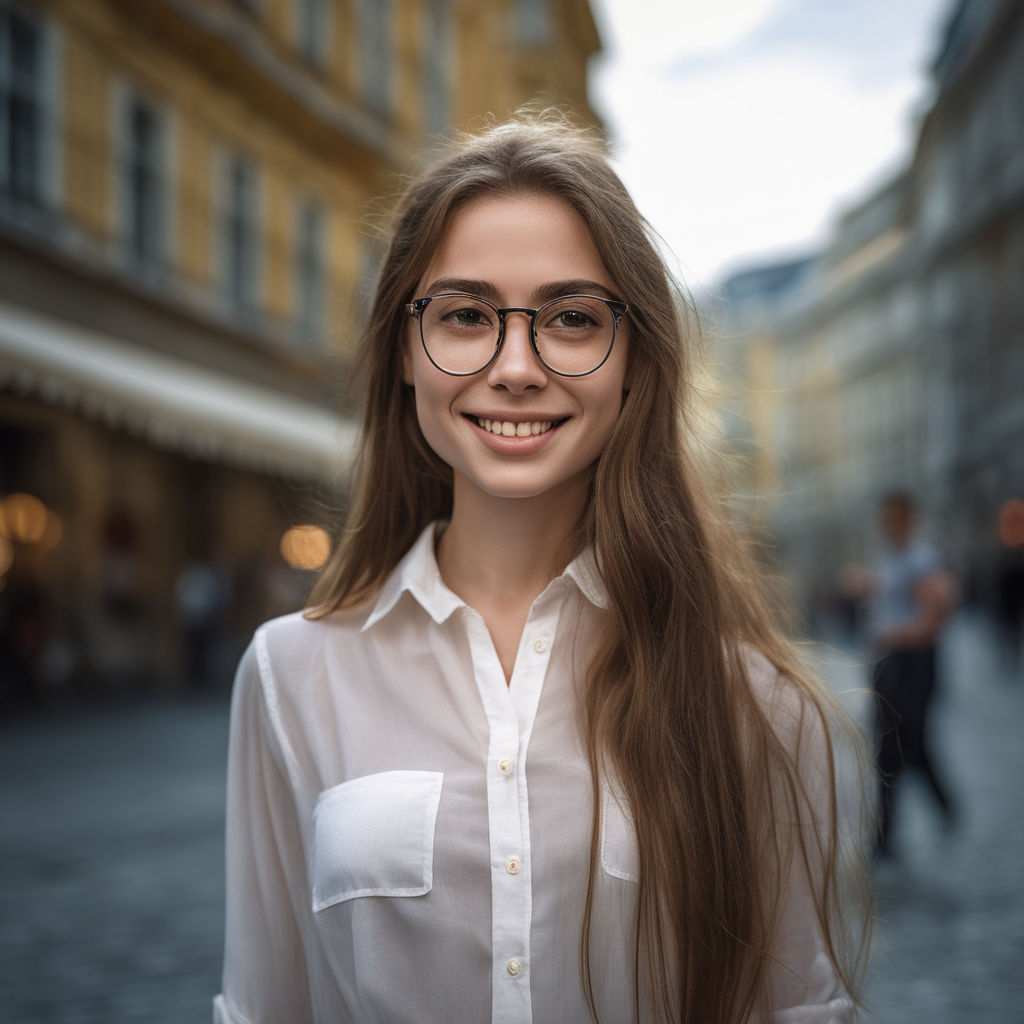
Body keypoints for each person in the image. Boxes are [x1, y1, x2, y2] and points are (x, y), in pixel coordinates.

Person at [214, 112, 871, 1024]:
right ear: (406, 350)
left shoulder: (755, 703)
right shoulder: (291, 677)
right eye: (465, 315)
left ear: (634, 358)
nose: (515, 367)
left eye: (569, 318)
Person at [868, 491, 956, 859]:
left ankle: (891, 833)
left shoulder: (921, 559)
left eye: (895, 516)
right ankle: (889, 833)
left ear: (908, 518)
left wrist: (901, 635)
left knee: (905, 745)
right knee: (896, 746)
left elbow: (938, 607)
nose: (889, 524)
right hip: (891, 661)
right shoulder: (889, 560)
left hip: (913, 662)